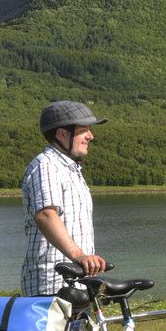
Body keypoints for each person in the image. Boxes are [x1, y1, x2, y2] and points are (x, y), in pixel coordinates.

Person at [20, 100, 108, 296]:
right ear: (61, 134)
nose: (90, 136)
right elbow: (46, 215)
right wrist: (79, 256)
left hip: (76, 282)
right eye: (84, 130)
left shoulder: (69, 169)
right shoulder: (46, 166)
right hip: (52, 285)